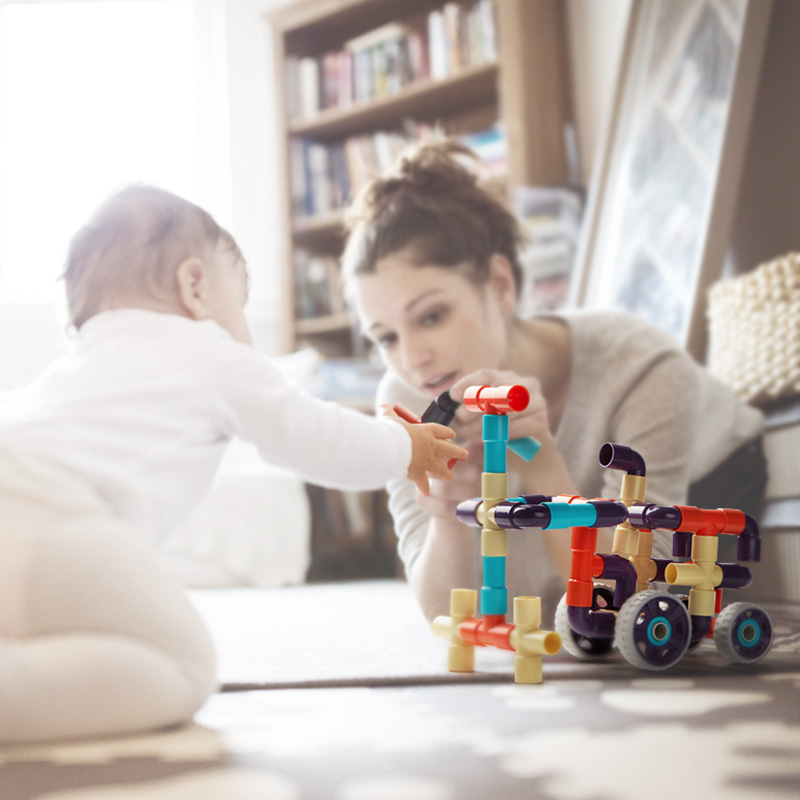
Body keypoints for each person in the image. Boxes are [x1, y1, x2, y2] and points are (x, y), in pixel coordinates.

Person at [0, 185, 467, 744]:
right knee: (180, 665)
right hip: (59, 518)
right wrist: (404, 447)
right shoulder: (209, 352)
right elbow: (315, 436)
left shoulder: (73, 368)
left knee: (48, 624)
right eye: (239, 306)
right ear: (194, 286)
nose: (242, 329)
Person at [342, 139, 766, 626]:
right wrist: (446, 513)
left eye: (433, 316)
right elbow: (445, 614)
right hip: (587, 525)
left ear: (501, 286)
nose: (413, 359)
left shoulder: (638, 364)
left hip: (718, 469)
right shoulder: (404, 401)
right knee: (530, 599)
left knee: (666, 625)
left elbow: (619, 600)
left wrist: (540, 458)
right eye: (386, 337)